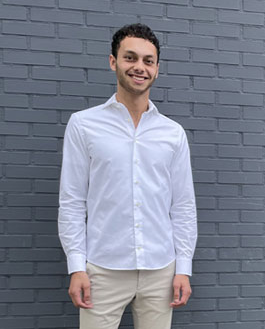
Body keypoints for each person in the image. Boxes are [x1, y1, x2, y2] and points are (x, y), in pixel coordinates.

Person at [58, 23, 197, 329]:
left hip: (161, 270)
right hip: (102, 270)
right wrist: (76, 267)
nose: (139, 67)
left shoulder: (172, 134)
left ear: (157, 69)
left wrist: (183, 268)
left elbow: (183, 205)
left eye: (148, 61)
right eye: (130, 58)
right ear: (113, 62)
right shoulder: (83, 125)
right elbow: (72, 201)